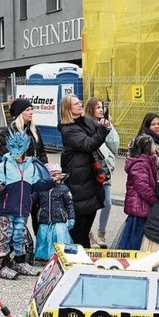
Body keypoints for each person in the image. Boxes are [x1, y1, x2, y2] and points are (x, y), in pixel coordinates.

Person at [0, 132, 55, 280]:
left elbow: (36, 186)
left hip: (23, 208)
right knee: (5, 236)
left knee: (20, 236)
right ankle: (1, 265)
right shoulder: (4, 165)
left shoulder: (31, 166)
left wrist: (53, 182)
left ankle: (19, 262)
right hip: (7, 209)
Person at [58, 94, 110, 248]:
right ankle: (79, 253)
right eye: (75, 104)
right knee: (79, 225)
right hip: (77, 178)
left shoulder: (86, 120)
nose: (80, 105)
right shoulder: (68, 130)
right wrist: (102, 130)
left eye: (80, 102)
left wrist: (104, 126)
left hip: (91, 176)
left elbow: (99, 132)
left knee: (90, 215)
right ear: (68, 108)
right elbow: (88, 144)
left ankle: (85, 248)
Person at [0, 97, 48, 238]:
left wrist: (45, 169)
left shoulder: (34, 130)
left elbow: (42, 152)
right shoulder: (8, 132)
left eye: (32, 109)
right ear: (20, 113)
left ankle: (40, 248)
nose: (31, 112)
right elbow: (5, 158)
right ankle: (19, 247)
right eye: (28, 110)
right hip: (19, 179)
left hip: (36, 177)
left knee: (39, 214)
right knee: (20, 215)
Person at [84, 97, 119, 248]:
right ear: (91, 109)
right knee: (89, 205)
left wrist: (108, 127)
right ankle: (89, 233)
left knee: (108, 203)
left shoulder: (106, 123)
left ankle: (101, 233)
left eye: (102, 107)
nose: (101, 110)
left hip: (105, 170)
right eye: (97, 107)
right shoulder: (85, 124)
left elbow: (115, 145)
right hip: (91, 169)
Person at [115, 135, 157, 250]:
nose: (155, 147)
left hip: (142, 206)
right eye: (153, 145)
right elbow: (143, 187)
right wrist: (155, 200)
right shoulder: (140, 164)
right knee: (134, 239)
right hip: (139, 207)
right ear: (147, 148)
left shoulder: (147, 161)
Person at [33, 163, 75, 261]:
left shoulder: (64, 189)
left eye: (59, 176)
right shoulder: (41, 189)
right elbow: (33, 199)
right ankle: (43, 255)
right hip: (44, 219)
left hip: (59, 219)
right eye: (54, 175)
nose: (57, 178)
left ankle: (59, 255)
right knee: (43, 237)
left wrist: (71, 217)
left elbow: (69, 204)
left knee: (59, 237)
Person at [134, 112, 159, 179]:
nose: (157, 126)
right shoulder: (144, 141)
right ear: (147, 126)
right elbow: (154, 163)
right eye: (153, 124)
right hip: (151, 180)